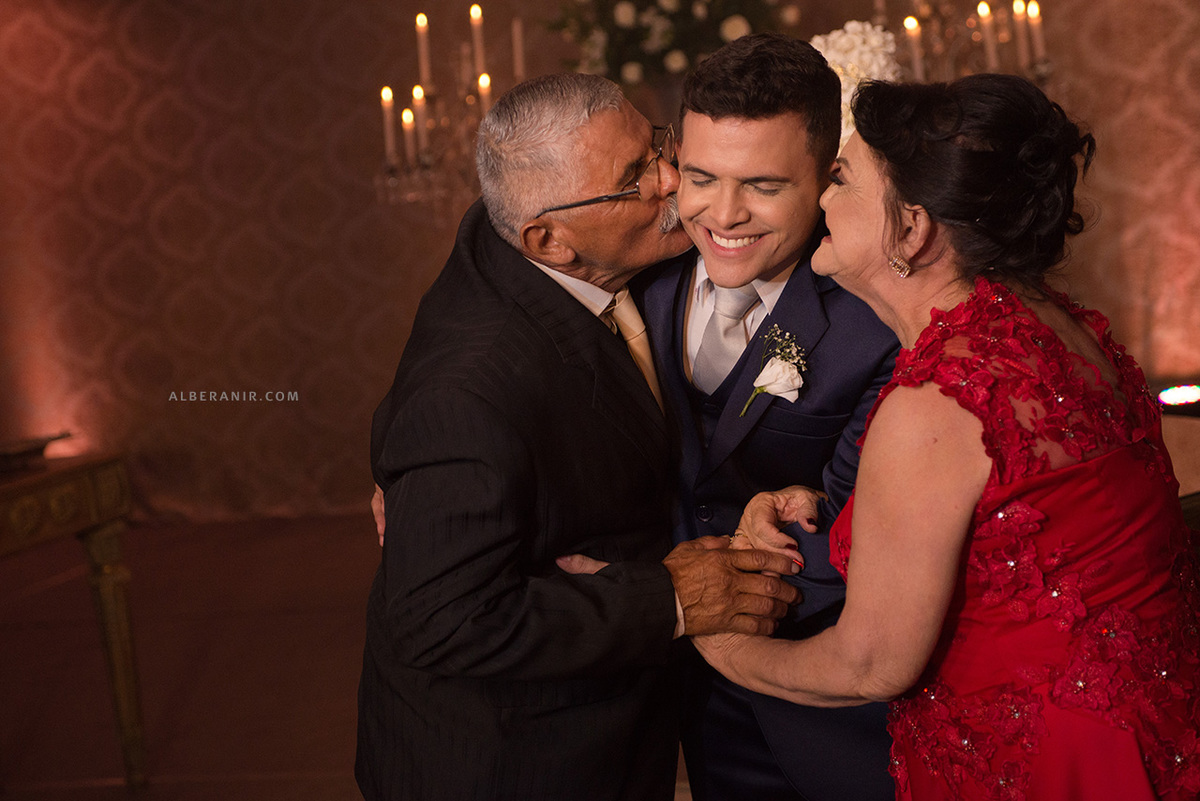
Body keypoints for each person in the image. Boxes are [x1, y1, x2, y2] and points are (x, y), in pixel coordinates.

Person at [695, 74, 1200, 800]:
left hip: (1039, 764)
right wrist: (822, 505)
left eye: (841, 179)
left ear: (912, 229)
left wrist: (721, 644)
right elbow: (1016, 526)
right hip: (1147, 723)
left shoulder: (935, 402)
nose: (822, 200)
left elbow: (871, 666)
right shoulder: (1068, 329)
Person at [355, 73, 804, 801]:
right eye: (635, 179)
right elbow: (441, 619)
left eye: (656, 145)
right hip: (508, 764)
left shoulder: (514, 233)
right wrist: (666, 597)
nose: (672, 180)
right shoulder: (469, 392)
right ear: (548, 241)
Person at [633, 33, 899, 800]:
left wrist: (723, 605)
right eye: (701, 177)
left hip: (824, 695)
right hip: (674, 685)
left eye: (763, 185)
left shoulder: (874, 324)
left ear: (826, 178)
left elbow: (870, 531)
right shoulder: (641, 273)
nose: (723, 214)